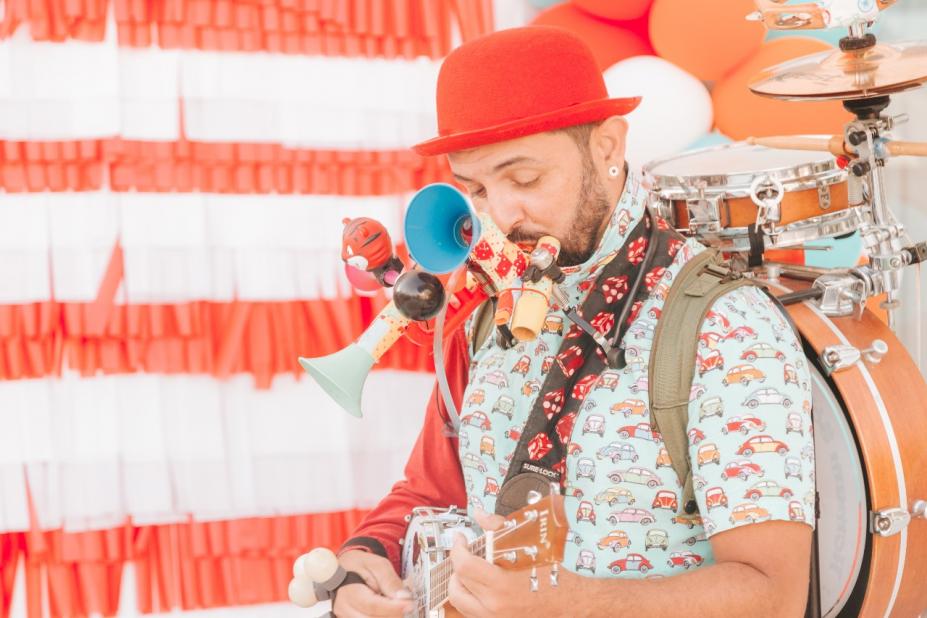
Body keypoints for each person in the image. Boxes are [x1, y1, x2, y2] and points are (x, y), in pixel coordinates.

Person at [332, 26, 815, 617]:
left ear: (608, 147)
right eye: (476, 189)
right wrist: (364, 559)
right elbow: (432, 490)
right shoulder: (488, 310)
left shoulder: (726, 324)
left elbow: (775, 595)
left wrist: (576, 605)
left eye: (526, 179)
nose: (503, 216)